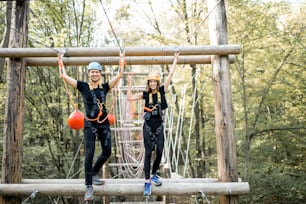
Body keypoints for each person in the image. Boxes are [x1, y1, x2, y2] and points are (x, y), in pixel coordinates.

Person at [58, 53, 125, 201]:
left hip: (104, 124)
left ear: (100, 74)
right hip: (89, 124)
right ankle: (89, 186)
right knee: (89, 153)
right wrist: (60, 61)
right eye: (92, 72)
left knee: (107, 151)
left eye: (96, 72)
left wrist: (121, 60)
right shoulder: (82, 86)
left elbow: (119, 75)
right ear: (89, 74)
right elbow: (64, 77)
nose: (94, 74)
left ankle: (94, 173)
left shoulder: (105, 87)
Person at [127, 51, 179, 196]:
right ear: (148, 83)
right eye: (151, 81)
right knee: (149, 152)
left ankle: (154, 173)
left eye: (155, 81)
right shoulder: (145, 94)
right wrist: (130, 84)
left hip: (159, 126)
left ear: (158, 82)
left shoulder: (162, 91)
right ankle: (147, 180)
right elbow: (130, 98)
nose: (153, 83)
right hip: (148, 127)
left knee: (160, 151)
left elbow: (170, 76)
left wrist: (175, 60)